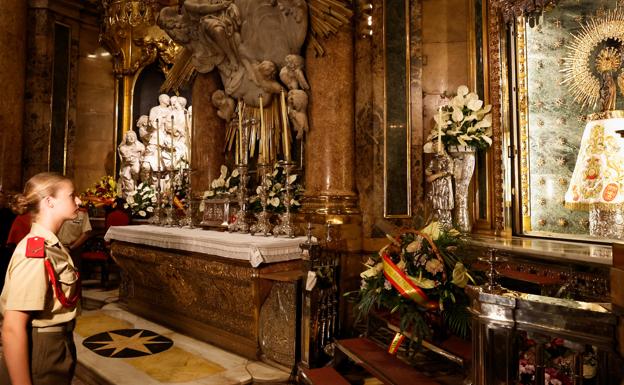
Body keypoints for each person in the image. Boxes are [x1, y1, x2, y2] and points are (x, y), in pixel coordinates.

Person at [0, 172, 81, 385]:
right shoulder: (35, 252)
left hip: (57, 343)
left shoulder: (52, 245)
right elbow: (12, 328)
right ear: (49, 202)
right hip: (42, 348)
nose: (79, 200)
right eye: (72, 196)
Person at [118, 131, 145, 198]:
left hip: (137, 170)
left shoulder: (140, 146)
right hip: (127, 169)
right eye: (129, 136)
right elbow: (129, 160)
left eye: (133, 136)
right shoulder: (123, 148)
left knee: (137, 171)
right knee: (130, 188)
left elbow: (142, 153)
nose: (131, 138)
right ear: (126, 138)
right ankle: (128, 201)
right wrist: (136, 157)